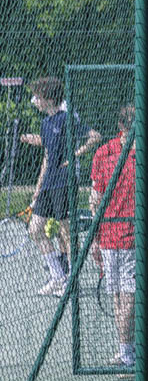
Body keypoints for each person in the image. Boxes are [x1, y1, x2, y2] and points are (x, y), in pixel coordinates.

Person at [88, 104, 148, 366]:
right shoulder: (105, 153)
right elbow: (95, 199)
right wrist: (96, 239)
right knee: (123, 296)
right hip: (118, 236)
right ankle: (127, 352)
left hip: (143, 231)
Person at [21, 77, 99, 295]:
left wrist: (74, 155)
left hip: (64, 182)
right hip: (49, 184)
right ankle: (57, 277)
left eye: (38, 96)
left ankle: (72, 281)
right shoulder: (45, 123)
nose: (35, 100)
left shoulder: (66, 119)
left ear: (48, 98)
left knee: (66, 231)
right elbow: (47, 156)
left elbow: (94, 136)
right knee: (35, 229)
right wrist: (39, 188)